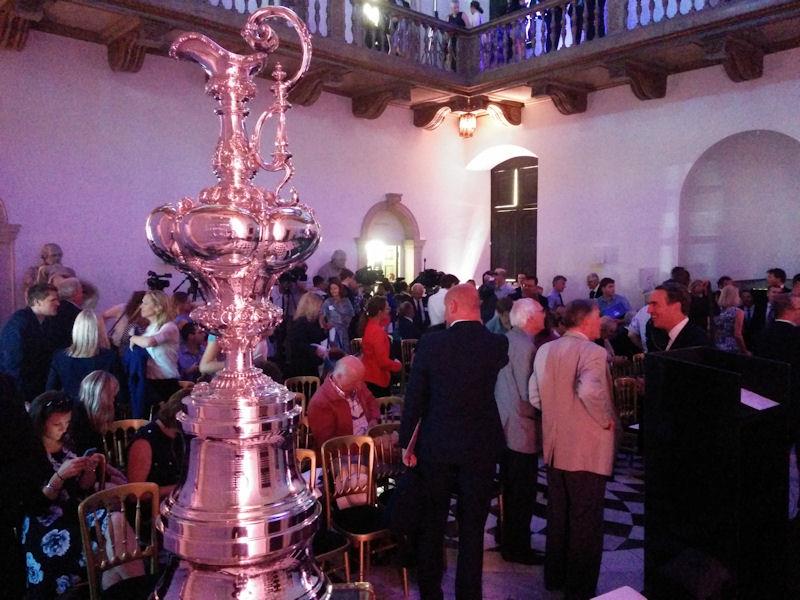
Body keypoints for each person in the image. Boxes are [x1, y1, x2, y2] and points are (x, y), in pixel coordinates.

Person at [400, 284, 509, 600]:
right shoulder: (496, 345)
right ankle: (469, 594)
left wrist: (407, 443)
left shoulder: (432, 344)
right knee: (473, 527)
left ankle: (431, 591)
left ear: (452, 307)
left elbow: (415, 399)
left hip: (438, 445)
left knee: (433, 521)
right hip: (481, 445)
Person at [529, 300, 618, 599]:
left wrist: (557, 412)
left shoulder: (545, 349)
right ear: (585, 321)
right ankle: (579, 588)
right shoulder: (593, 352)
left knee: (559, 514)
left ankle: (555, 577)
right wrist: (605, 420)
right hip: (586, 449)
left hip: (555, 445)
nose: (601, 324)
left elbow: (534, 395)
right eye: (597, 319)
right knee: (585, 520)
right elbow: (590, 390)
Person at [22, 391, 104, 598]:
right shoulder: (29, 451)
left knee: (114, 523)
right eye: (57, 424)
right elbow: (35, 504)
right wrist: (59, 476)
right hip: (43, 519)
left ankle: (117, 585)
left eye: (67, 422)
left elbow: (84, 488)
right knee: (79, 541)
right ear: (41, 423)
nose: (63, 428)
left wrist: (89, 468)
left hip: (74, 509)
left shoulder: (68, 442)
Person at [494, 298, 546, 565]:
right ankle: (517, 548)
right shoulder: (526, 347)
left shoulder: (507, 339)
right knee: (522, 493)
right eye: (539, 312)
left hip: (504, 424)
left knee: (511, 489)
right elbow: (529, 394)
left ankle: (507, 539)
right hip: (521, 428)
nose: (544, 314)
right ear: (528, 318)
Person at [0, 283, 60, 403]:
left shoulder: (48, 321)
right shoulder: (18, 324)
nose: (58, 303)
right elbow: (12, 363)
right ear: (37, 302)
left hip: (36, 387)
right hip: (22, 390)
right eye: (53, 300)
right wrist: (20, 398)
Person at [307, 356, 379, 451]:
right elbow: (329, 444)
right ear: (339, 377)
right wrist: (364, 444)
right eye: (354, 382)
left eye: (361, 380)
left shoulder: (357, 383)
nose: (359, 386)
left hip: (368, 439)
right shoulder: (320, 403)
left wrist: (373, 419)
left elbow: (371, 401)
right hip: (348, 454)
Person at [46, 310, 122, 401]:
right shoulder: (109, 357)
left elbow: (50, 391)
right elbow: (120, 393)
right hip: (100, 411)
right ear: (99, 331)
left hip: (71, 411)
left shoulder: (60, 358)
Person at [127, 389, 187, 499]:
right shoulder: (145, 442)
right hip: (151, 510)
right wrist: (180, 488)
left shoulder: (180, 436)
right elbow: (134, 495)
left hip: (176, 501)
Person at [128, 290, 181, 417]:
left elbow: (150, 342)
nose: (141, 306)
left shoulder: (169, 327)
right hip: (151, 384)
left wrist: (133, 338)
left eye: (145, 303)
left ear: (158, 308)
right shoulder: (149, 329)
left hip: (166, 383)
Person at [69, 370, 121, 456]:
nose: (114, 400)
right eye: (112, 395)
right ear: (103, 396)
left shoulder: (95, 414)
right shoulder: (76, 416)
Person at [646, 281, 709, 351]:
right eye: (649, 305)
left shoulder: (698, 342)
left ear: (676, 307)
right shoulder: (655, 333)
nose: (649, 310)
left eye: (655, 304)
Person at [361, 296, 402, 397]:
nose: (389, 310)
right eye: (387, 308)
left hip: (369, 375)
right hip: (377, 378)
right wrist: (398, 366)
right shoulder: (377, 332)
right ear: (380, 312)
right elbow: (382, 361)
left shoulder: (370, 326)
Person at [287, 291, 328, 377]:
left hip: (312, 361)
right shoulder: (300, 322)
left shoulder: (313, 321)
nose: (321, 310)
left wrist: (321, 324)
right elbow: (296, 344)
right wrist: (315, 349)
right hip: (302, 364)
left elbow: (320, 336)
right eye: (320, 307)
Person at [46, 277, 84, 350]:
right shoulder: (79, 314)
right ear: (75, 293)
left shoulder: (53, 309)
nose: (83, 295)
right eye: (81, 291)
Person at [322, 278, 356, 354]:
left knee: (344, 350)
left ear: (339, 288)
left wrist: (337, 323)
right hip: (331, 331)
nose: (333, 291)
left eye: (335, 288)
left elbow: (350, 316)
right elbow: (322, 315)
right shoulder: (328, 302)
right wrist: (325, 325)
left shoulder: (346, 301)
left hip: (343, 331)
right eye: (331, 289)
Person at [712, 284, 748, 354]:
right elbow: (737, 335)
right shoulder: (738, 312)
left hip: (717, 346)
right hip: (732, 348)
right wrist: (745, 351)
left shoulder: (717, 312)